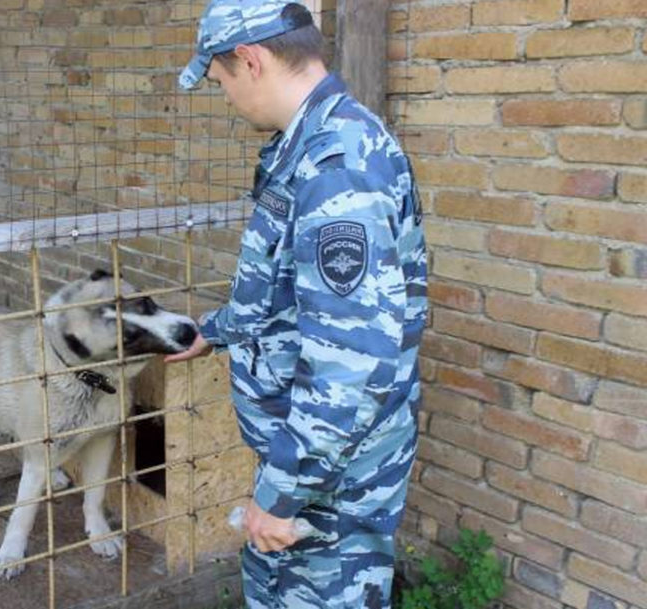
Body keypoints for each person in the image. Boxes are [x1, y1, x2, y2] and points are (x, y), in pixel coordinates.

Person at [164, 2, 428, 608]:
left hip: (330, 476)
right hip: (309, 454)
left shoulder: (338, 167)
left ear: (250, 61)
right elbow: (285, 289)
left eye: (221, 77)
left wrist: (280, 493)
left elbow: (352, 359)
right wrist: (218, 329)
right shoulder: (307, 145)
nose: (225, 94)